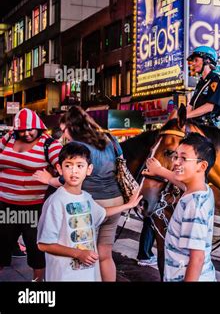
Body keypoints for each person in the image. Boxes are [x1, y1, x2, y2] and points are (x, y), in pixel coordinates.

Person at [34, 106, 126, 281]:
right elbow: (121, 164)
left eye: (64, 130)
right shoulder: (110, 138)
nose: (63, 136)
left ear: (72, 126)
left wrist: (48, 180)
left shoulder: (78, 149)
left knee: (86, 251)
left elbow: (66, 180)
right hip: (115, 200)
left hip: (90, 204)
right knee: (106, 255)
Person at [37, 142, 142, 281]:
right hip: (64, 275)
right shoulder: (55, 202)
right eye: (68, 165)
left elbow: (103, 212)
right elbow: (44, 244)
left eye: (80, 166)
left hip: (87, 274)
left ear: (89, 169)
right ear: (59, 169)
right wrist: (78, 254)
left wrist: (128, 205)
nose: (74, 171)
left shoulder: (86, 198)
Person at [143, 133, 216, 281]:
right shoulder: (201, 190)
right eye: (175, 156)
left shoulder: (194, 206)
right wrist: (159, 170)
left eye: (184, 158)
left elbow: (197, 258)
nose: (176, 162)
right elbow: (183, 184)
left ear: (201, 166)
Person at [0, 108, 62, 281]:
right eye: (22, 130)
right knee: (1, 247)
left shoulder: (49, 144)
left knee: (36, 251)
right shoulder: (10, 139)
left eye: (30, 129)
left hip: (33, 208)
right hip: (5, 205)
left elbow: (67, 169)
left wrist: (52, 180)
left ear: (39, 127)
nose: (26, 134)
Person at [184, 46, 220, 127]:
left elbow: (209, 107)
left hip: (210, 129)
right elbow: (191, 105)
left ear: (207, 61)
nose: (193, 63)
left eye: (196, 60)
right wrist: (180, 118)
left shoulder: (217, 80)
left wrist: (186, 116)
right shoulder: (200, 83)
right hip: (197, 126)